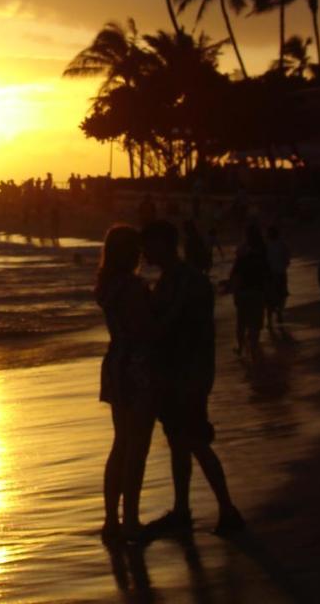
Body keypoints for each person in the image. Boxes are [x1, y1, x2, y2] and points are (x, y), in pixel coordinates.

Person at [143, 219, 243, 537]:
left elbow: (175, 326)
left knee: (195, 441)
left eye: (150, 244)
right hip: (178, 374)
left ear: (165, 244)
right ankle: (183, 509)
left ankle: (227, 509)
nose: (145, 251)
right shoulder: (173, 279)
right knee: (179, 443)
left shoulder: (185, 281)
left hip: (188, 375)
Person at [95, 225, 155, 543]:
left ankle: (110, 520)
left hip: (115, 362)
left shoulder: (106, 286)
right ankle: (130, 519)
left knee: (120, 444)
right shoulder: (132, 287)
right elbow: (144, 328)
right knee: (137, 446)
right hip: (137, 366)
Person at [230, 224, 269, 362]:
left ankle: (241, 347)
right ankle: (253, 347)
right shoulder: (262, 255)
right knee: (255, 324)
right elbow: (266, 276)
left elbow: (235, 278)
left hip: (244, 293)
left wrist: (235, 295)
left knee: (241, 322)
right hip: (258, 293)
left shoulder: (241, 259)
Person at [264, 226, 291, 329]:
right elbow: (287, 259)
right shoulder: (281, 244)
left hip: (274, 274)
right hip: (277, 273)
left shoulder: (268, 245)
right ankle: (276, 314)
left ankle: (272, 318)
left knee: (274, 297)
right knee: (280, 295)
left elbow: (287, 258)